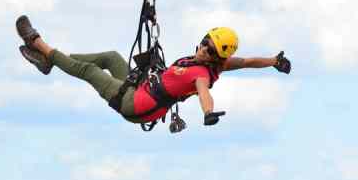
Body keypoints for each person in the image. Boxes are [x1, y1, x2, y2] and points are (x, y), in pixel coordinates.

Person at [15, 15, 291, 126]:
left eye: (209, 49)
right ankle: (52, 59)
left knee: (87, 71)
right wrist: (273, 62)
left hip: (134, 104)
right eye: (205, 41)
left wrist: (208, 113)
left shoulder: (203, 74)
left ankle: (38, 43)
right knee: (111, 57)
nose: (203, 49)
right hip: (142, 87)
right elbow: (246, 62)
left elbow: (204, 93)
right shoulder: (214, 63)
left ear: (215, 58)